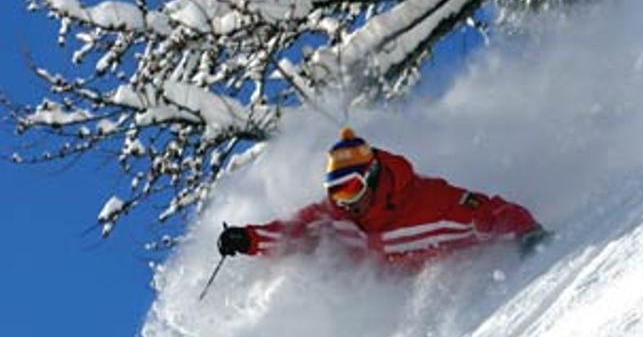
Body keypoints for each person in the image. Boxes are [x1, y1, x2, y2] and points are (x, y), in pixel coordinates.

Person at [217, 128, 548, 269]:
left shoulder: (432, 204)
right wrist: (248, 239)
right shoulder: (337, 213)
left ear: (373, 179)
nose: (345, 203)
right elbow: (295, 232)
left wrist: (528, 234)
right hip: (371, 287)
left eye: (351, 189)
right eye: (336, 191)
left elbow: (492, 212)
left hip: (443, 282)